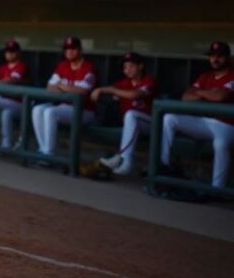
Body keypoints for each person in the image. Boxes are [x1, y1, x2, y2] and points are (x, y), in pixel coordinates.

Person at [160, 41, 234, 189]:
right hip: (204, 122)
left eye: (219, 56)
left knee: (220, 144)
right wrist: (207, 93)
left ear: (227, 58)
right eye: (212, 56)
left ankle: (217, 188)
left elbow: (220, 96)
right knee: (169, 118)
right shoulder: (205, 76)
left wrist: (200, 93)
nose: (215, 59)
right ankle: (163, 165)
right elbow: (186, 96)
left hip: (226, 125)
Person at [32, 36, 97, 157]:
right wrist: (68, 89)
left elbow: (82, 91)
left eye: (73, 49)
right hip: (65, 107)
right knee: (37, 109)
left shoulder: (88, 67)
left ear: (80, 50)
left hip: (85, 111)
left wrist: (61, 86)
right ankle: (43, 150)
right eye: (67, 49)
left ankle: (49, 154)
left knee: (50, 112)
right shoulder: (62, 65)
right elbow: (49, 87)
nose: (69, 52)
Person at [95, 52, 156, 175]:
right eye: (125, 67)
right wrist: (100, 89)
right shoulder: (123, 83)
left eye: (131, 66)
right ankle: (121, 158)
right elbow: (95, 96)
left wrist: (114, 91)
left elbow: (135, 95)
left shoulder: (148, 80)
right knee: (130, 116)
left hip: (151, 124)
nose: (127, 70)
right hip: (133, 125)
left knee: (131, 115)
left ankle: (125, 160)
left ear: (140, 66)